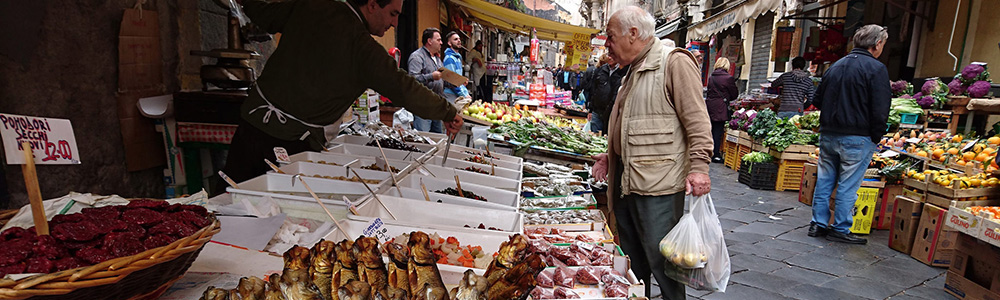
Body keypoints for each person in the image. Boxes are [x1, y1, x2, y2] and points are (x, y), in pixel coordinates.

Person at [225, 0, 462, 183]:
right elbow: (404, 88)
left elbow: (264, 13)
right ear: (371, 4)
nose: (395, 23)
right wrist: (448, 112)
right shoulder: (363, 48)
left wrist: (247, 2)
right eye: (393, 13)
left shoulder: (312, 6)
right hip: (292, 145)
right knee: (271, 217)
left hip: (251, 125)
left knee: (226, 206)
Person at [592, 6, 713, 299]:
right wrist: (611, 156)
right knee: (633, 262)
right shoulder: (633, 70)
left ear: (633, 34)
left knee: (665, 265)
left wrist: (699, 166)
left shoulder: (674, 63)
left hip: (658, 185)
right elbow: (632, 122)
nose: (607, 43)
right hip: (626, 183)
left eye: (610, 36)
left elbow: (697, 120)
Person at [808, 24, 891, 244]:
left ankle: (818, 224)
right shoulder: (876, 69)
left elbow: (816, 100)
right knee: (848, 184)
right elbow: (881, 109)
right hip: (857, 136)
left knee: (825, 180)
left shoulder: (835, 66)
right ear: (877, 44)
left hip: (829, 134)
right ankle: (841, 228)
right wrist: (876, 136)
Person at [408, 28, 447, 133]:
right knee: (424, 138)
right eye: (438, 40)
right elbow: (412, 79)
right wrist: (431, 76)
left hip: (436, 105)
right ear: (429, 41)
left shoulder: (437, 59)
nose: (441, 43)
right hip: (422, 106)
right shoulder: (417, 57)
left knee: (438, 138)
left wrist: (458, 83)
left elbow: (441, 79)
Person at [706, 57, 739, 163]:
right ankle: (715, 154)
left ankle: (706, 152)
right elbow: (734, 94)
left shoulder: (711, 77)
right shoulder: (728, 78)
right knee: (718, 131)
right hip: (721, 107)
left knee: (709, 130)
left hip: (710, 106)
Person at [586, 54, 628, 134]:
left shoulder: (624, 71)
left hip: (612, 113)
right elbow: (594, 90)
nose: (609, 57)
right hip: (597, 111)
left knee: (607, 139)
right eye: (609, 55)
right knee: (594, 137)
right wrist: (590, 109)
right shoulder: (601, 69)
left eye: (612, 55)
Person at [442, 31, 470, 104]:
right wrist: (464, 94)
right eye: (455, 39)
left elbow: (457, 78)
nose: (459, 41)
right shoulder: (449, 59)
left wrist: (462, 81)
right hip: (451, 94)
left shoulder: (457, 58)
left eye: (459, 39)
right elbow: (452, 81)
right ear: (449, 43)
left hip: (456, 93)